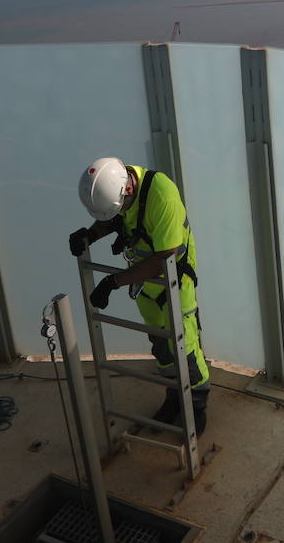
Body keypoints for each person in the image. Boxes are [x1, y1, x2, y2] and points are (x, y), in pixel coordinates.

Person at [69, 157, 209, 431]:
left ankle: (198, 402)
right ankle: (174, 396)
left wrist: (113, 282)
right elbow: (117, 219)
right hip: (145, 284)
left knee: (186, 348)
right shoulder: (120, 188)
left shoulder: (162, 194)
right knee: (160, 345)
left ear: (129, 190)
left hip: (175, 283)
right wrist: (90, 235)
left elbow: (164, 258)